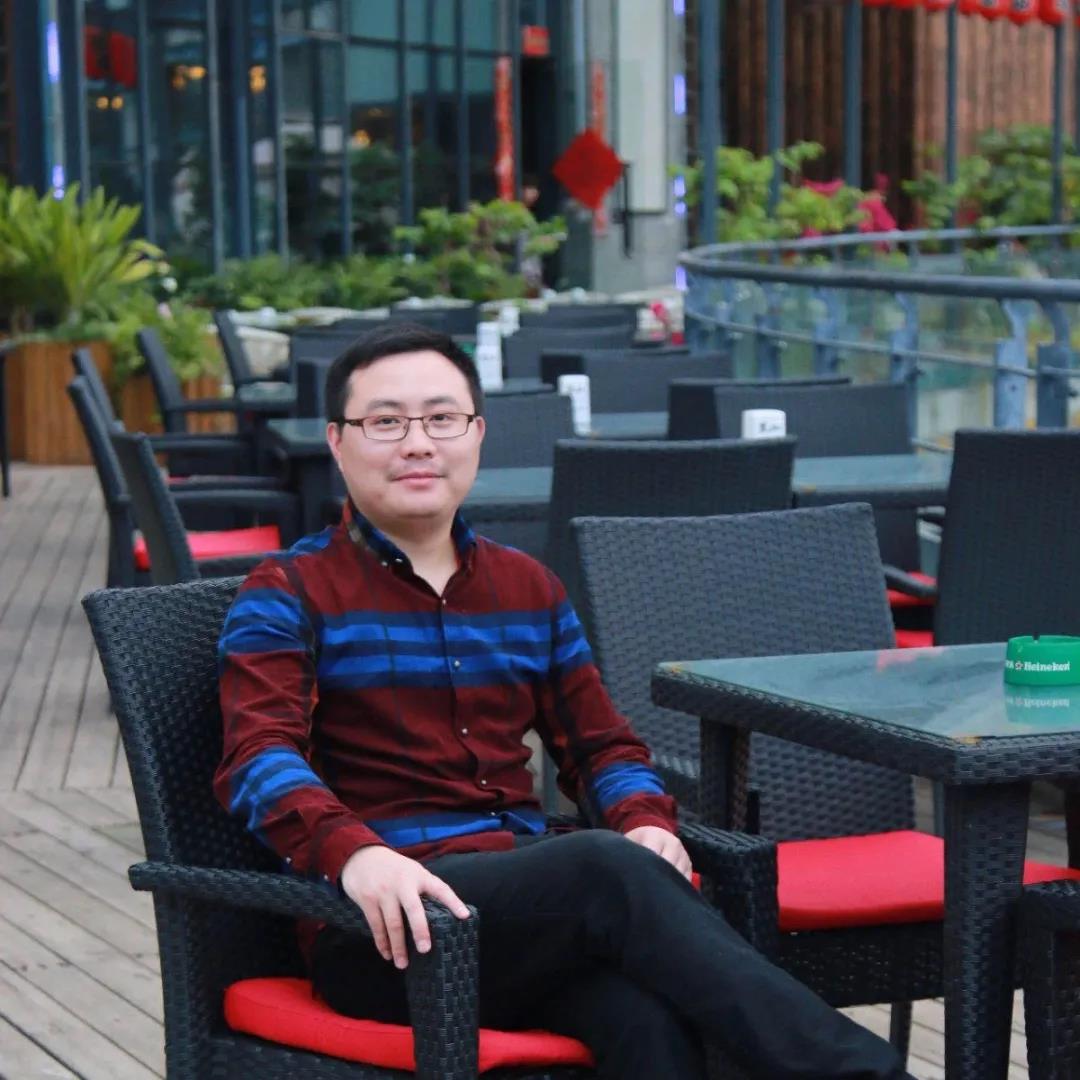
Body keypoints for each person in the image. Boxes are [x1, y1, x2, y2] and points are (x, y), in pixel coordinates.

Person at [214, 324, 911, 1080]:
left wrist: (644, 822)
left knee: (646, 1021)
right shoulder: (288, 591)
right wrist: (355, 854)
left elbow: (601, 747)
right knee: (604, 870)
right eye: (386, 422)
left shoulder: (527, 587)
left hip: (524, 915)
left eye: (441, 418)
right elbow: (258, 756)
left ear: (476, 434)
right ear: (338, 442)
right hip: (382, 925)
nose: (417, 443)